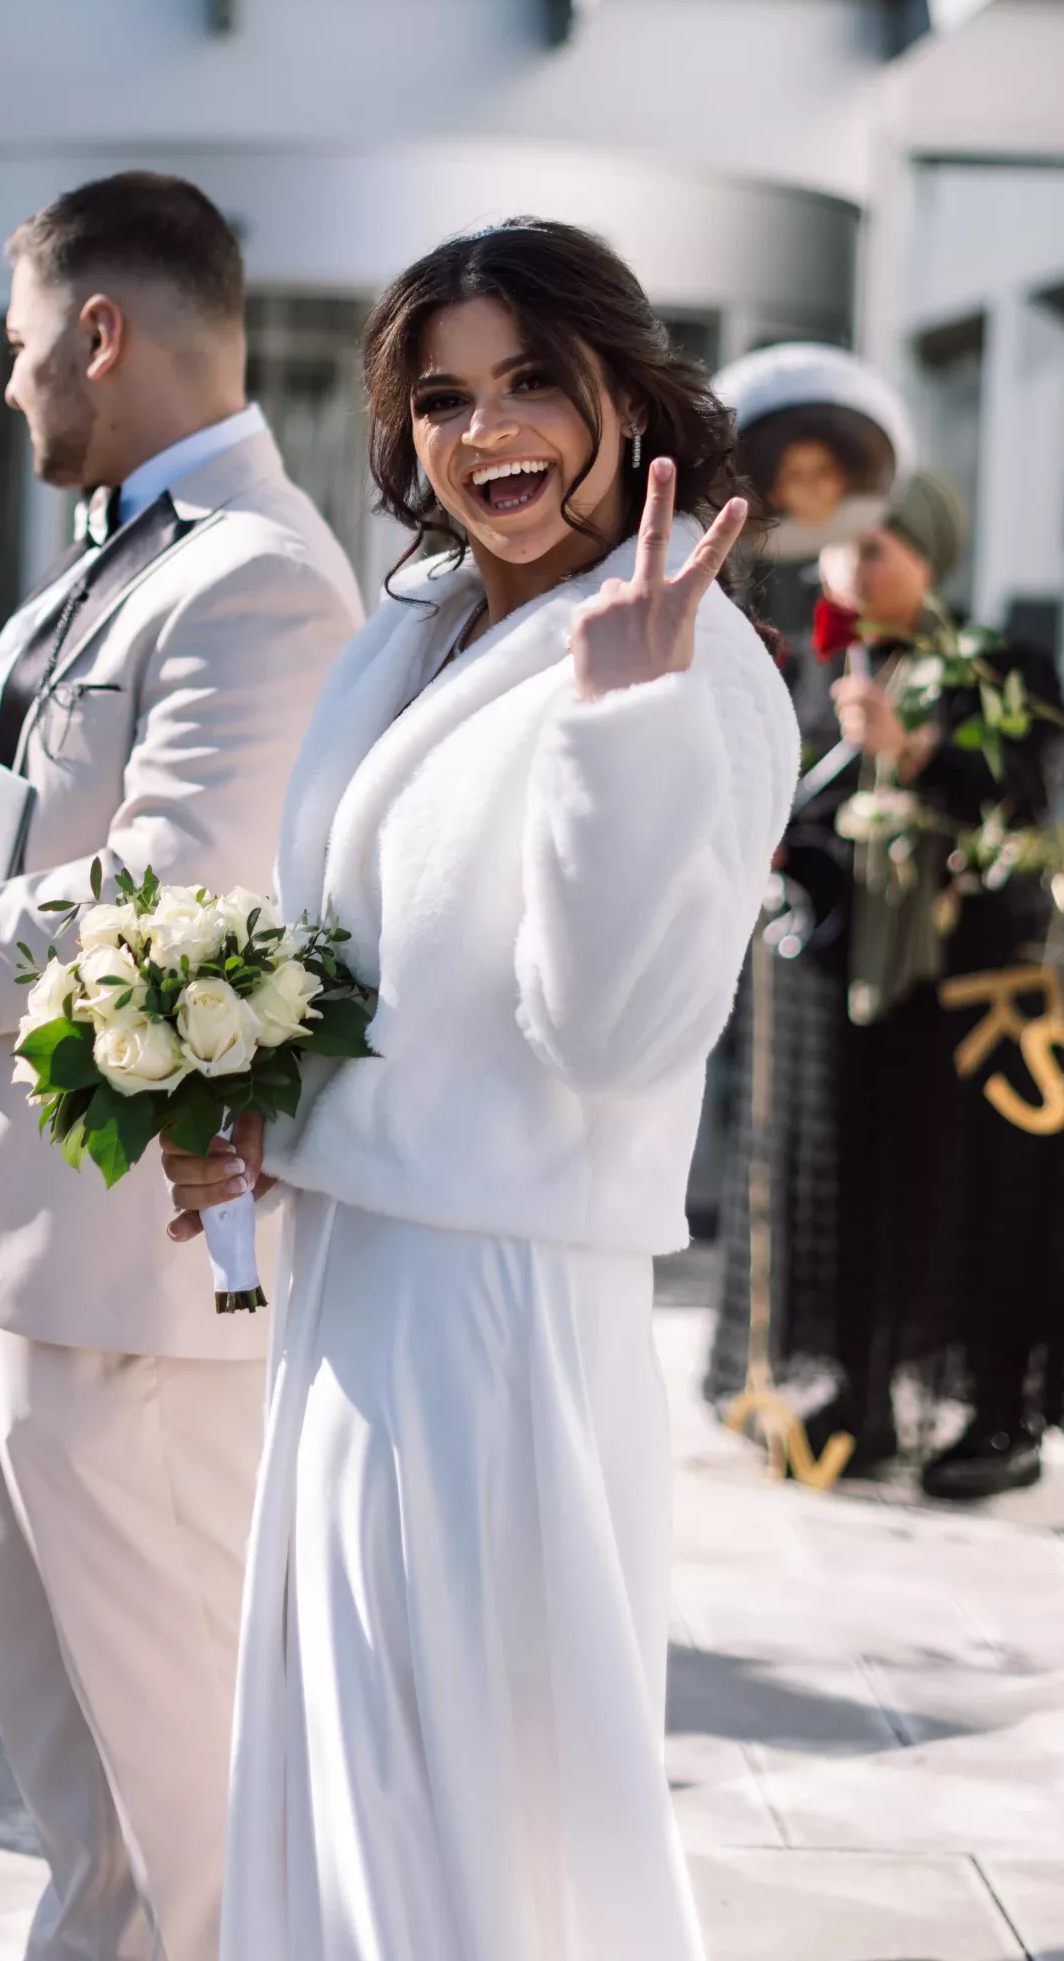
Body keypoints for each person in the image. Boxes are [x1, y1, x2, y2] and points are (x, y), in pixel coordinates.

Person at [162, 218, 798, 1961]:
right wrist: (259, 1108)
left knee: (466, 1775)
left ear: (621, 389)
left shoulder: (689, 661)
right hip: (360, 1266)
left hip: (496, 1297)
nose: (484, 429)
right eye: (441, 397)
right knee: (344, 1743)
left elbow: (620, 1034)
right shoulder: (426, 625)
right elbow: (365, 950)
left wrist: (622, 729)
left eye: (531, 380)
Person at [0, 171, 362, 1961]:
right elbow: (18, 841)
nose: (11, 388)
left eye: (26, 351)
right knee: (80, 1790)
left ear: (103, 333)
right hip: (4, 1244)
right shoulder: (112, 559)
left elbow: (172, 896)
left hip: (124, 1283)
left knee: (185, 1799)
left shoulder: (256, 579)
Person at [710, 471, 1064, 1499]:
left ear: (929, 554)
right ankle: (856, 1400)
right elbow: (822, 827)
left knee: (970, 1204)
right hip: (851, 1002)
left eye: (876, 548)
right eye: (841, 549)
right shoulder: (832, 665)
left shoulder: (998, 664)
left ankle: (991, 1416)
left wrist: (912, 747)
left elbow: (1020, 800)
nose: (851, 568)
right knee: (857, 1202)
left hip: (964, 1002)